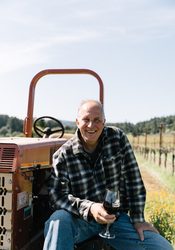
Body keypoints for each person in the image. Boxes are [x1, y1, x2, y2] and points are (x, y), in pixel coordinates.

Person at [43, 100, 173, 250]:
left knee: (161, 247)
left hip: (115, 220)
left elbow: (133, 179)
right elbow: (57, 196)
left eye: (97, 120)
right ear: (77, 122)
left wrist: (138, 219)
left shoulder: (117, 138)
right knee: (59, 220)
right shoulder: (63, 155)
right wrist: (91, 208)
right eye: (86, 120)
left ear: (104, 122)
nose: (91, 125)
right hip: (80, 221)